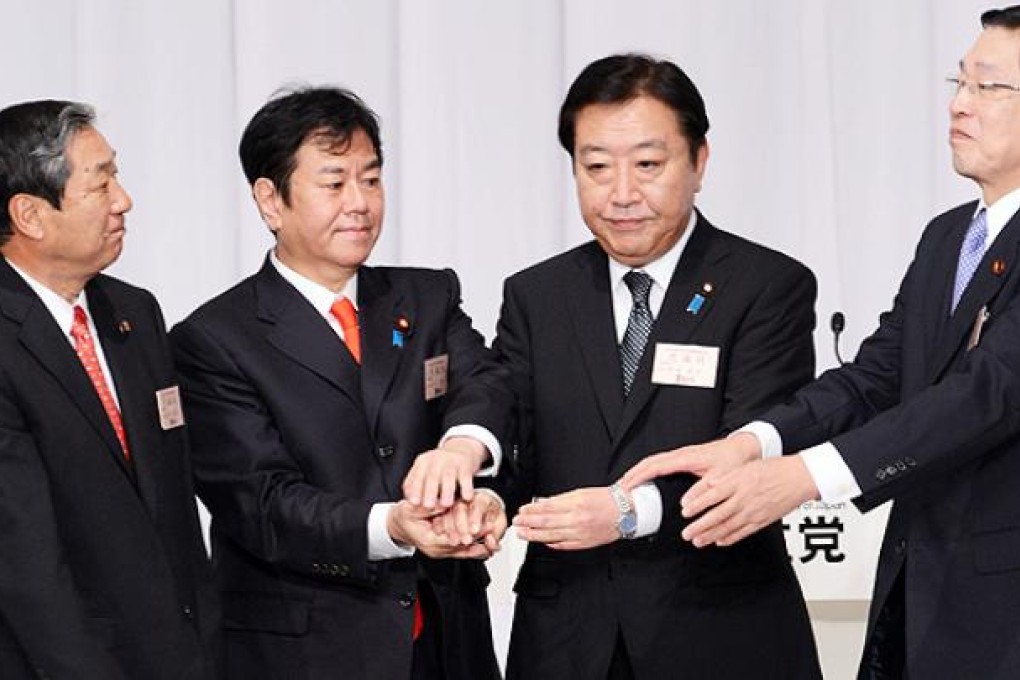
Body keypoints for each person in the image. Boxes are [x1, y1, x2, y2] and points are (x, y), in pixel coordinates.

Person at [623, 6, 1020, 679]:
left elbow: (984, 395)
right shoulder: (948, 237)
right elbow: (874, 376)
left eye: (988, 87)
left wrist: (804, 479)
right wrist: (752, 443)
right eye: (958, 82)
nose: (959, 104)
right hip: (920, 593)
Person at [493, 54, 822, 679]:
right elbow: (516, 447)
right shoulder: (536, 295)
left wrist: (622, 514)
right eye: (595, 167)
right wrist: (482, 496)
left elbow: (752, 460)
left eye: (648, 165)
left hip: (720, 633)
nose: (621, 194)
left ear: (698, 162)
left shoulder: (766, 285)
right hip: (566, 641)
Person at [170, 86, 512, 680]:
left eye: (372, 180)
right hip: (306, 651)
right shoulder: (214, 339)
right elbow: (263, 504)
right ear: (270, 200)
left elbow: (487, 382)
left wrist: (463, 446)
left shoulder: (427, 296)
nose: (360, 203)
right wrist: (393, 526)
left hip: (445, 639)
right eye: (334, 183)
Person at [0, 100, 218, 678]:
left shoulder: (134, 312)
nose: (123, 200)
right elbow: (24, 561)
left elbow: (171, 508)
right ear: (30, 215)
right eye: (100, 185)